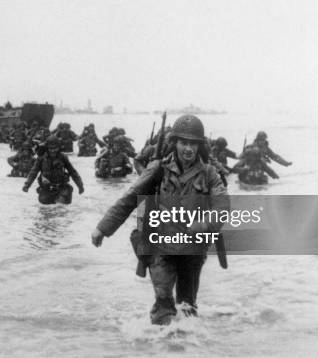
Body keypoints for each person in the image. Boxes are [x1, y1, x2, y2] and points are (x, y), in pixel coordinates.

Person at [90, 114, 229, 325]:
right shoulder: (158, 169)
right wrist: (103, 228)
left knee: (188, 307)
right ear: (174, 143)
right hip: (161, 246)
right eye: (183, 142)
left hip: (193, 248)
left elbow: (223, 208)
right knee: (163, 306)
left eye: (193, 143)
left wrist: (202, 224)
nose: (188, 149)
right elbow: (129, 199)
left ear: (200, 146)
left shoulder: (210, 174)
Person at [23, 136, 84, 204]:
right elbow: (33, 172)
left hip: (62, 188)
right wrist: (27, 185)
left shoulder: (63, 157)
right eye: (50, 148)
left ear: (58, 148)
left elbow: (73, 172)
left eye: (55, 148)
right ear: (47, 148)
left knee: (60, 206)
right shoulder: (41, 158)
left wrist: (80, 186)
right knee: (46, 206)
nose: (53, 150)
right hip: (47, 188)